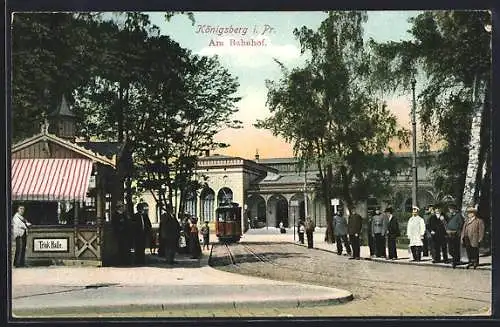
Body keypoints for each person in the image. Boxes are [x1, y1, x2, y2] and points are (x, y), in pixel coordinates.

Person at [111, 201, 131, 266]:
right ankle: (121, 261)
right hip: (120, 234)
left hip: (126, 233)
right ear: (119, 207)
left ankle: (126, 261)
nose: (123, 207)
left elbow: (128, 222)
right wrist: (120, 227)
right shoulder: (115, 215)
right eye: (122, 206)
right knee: (121, 248)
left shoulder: (124, 214)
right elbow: (114, 224)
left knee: (126, 248)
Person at [446, 204, 464, 268]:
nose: (449, 210)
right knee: (450, 249)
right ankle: (455, 259)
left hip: (455, 234)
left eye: (450, 209)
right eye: (449, 209)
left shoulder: (458, 215)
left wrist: (457, 232)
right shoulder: (450, 216)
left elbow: (461, 224)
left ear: (454, 209)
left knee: (455, 248)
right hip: (450, 234)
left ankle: (455, 261)